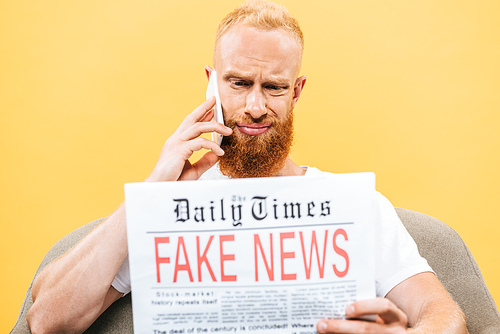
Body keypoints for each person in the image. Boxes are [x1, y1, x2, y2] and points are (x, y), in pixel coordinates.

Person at [27, 0, 467, 333]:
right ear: (212, 81)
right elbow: (47, 320)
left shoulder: (354, 205)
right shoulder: (167, 208)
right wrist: (151, 190)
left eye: (273, 86)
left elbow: (445, 315)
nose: (255, 107)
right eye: (239, 83)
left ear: (296, 92)